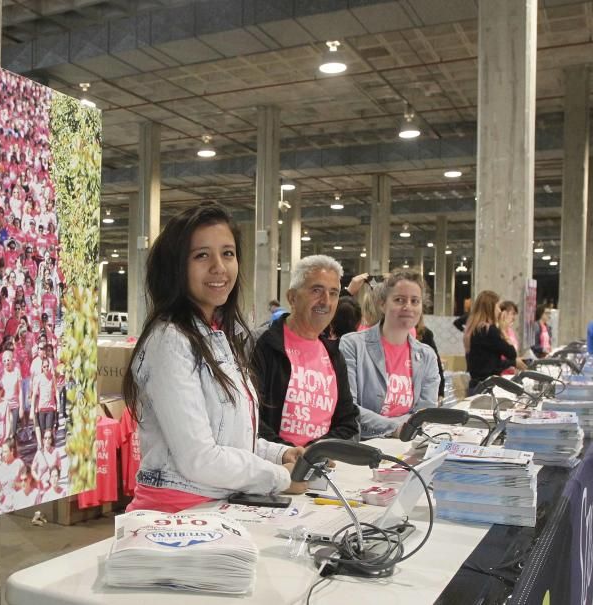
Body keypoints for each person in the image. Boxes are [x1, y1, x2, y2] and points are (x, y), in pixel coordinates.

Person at [121, 203, 305, 514]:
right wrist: (278, 477)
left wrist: (279, 455)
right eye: (201, 255)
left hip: (217, 506)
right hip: (177, 515)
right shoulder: (170, 341)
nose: (219, 266)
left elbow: (228, 439)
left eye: (228, 253)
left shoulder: (217, 336)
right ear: (176, 267)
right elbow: (199, 458)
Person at [250, 255, 360, 447]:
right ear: (292, 297)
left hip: (320, 463)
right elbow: (249, 418)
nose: (326, 301)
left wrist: (315, 453)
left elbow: (348, 423)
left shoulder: (334, 355)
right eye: (316, 290)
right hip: (272, 465)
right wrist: (288, 455)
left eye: (333, 293)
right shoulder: (262, 343)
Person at [339, 271, 441, 439]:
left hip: (406, 444)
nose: (408, 307)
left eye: (414, 301)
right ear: (382, 305)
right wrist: (395, 427)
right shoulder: (352, 345)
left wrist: (405, 429)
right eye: (399, 300)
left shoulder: (427, 356)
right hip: (363, 444)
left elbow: (425, 412)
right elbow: (348, 406)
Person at [465, 291, 527, 393]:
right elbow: (511, 353)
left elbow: (489, 361)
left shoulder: (475, 329)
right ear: (491, 308)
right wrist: (503, 330)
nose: (499, 311)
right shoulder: (489, 331)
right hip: (485, 387)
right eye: (498, 307)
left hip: (477, 385)